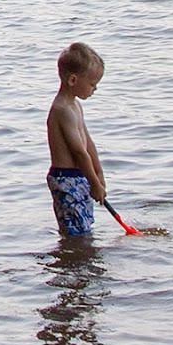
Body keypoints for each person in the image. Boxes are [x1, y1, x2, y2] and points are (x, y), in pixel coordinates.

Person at [46, 42, 108, 237]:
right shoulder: (62, 110)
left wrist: (98, 174)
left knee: (85, 226)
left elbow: (88, 143)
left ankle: (80, 260)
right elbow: (79, 153)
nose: (95, 89)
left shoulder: (75, 106)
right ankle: (72, 261)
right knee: (74, 232)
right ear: (73, 80)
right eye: (92, 84)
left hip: (80, 176)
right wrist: (94, 183)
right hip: (66, 179)